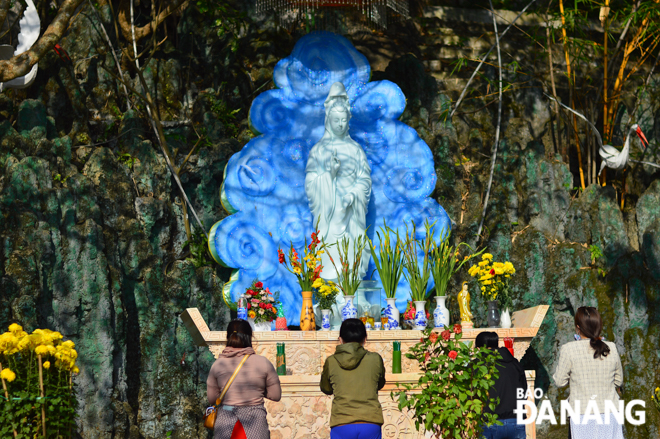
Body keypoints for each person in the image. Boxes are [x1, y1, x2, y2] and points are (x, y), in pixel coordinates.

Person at [305, 82, 372, 280]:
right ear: (328, 120)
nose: (341, 125)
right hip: (330, 213)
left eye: (344, 120)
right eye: (336, 120)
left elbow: (365, 180)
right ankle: (330, 296)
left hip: (352, 213)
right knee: (329, 247)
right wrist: (329, 175)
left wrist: (353, 195)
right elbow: (310, 183)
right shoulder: (319, 150)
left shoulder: (356, 149)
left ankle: (354, 292)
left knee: (356, 248)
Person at [553, 306, 623, 439]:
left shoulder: (568, 349)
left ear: (578, 328)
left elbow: (559, 381)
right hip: (610, 411)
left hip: (582, 413)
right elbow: (618, 381)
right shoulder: (611, 347)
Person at [207, 319, 282, 439]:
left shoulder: (218, 365)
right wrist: (256, 389)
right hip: (255, 426)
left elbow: (212, 398)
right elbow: (276, 395)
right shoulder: (263, 362)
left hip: (226, 425)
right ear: (249, 338)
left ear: (228, 337)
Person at [320, 318, 386, 439]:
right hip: (370, 421)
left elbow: (326, 388)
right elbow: (380, 383)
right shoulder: (375, 359)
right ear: (365, 339)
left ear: (340, 339)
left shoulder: (331, 361)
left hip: (342, 423)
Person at [475, 331, 527, 439]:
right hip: (516, 421)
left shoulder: (477, 366)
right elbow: (524, 391)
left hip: (489, 422)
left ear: (480, 348)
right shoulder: (514, 364)